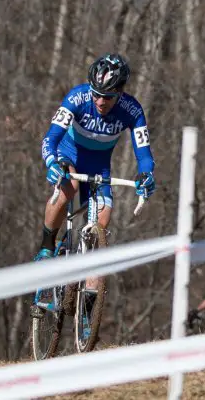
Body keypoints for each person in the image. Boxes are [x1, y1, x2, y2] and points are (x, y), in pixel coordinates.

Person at [34, 53, 156, 314]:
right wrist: (51, 163)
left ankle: (88, 306)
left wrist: (147, 175)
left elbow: (143, 153)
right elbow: (50, 138)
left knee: (102, 223)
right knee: (69, 189)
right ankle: (47, 245)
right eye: (96, 94)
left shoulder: (132, 110)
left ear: (120, 93)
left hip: (100, 167)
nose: (100, 101)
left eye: (108, 96)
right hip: (69, 156)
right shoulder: (77, 98)